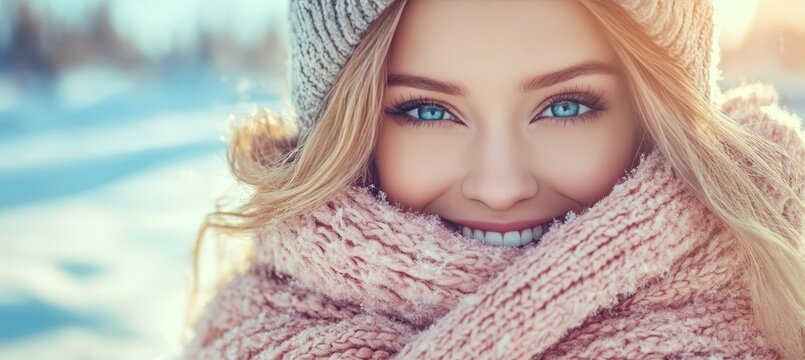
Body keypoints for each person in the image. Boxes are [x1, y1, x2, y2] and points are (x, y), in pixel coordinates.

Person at [182, 0, 805, 358]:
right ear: (349, 132)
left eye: (566, 106)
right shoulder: (255, 340)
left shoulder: (783, 305)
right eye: (427, 111)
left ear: (655, 115)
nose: (500, 186)